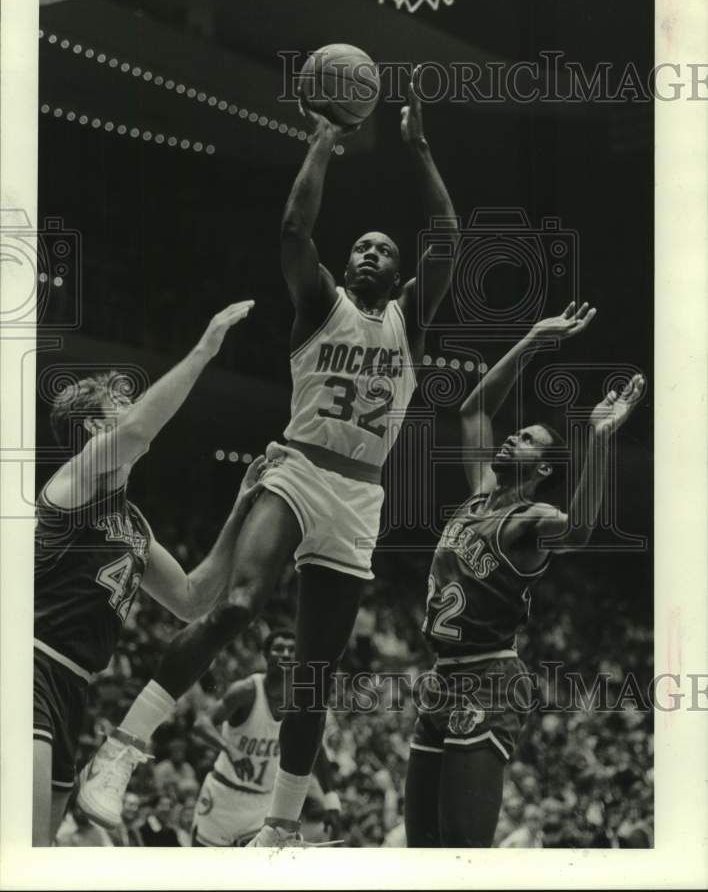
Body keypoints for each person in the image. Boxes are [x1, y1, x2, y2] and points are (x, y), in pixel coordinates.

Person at [78, 67, 459, 845]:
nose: (369, 253)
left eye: (382, 249)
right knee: (241, 606)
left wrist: (418, 150)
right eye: (358, 246)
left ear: (398, 272)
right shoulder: (321, 303)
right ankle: (121, 751)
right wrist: (323, 140)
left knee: (312, 680)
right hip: (297, 468)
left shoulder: (410, 322)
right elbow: (293, 230)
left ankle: (281, 828)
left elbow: (449, 236)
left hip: (358, 500)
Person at [404, 302, 645, 848]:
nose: (513, 438)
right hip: (442, 678)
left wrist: (598, 440)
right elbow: (472, 410)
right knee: (419, 849)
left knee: (463, 852)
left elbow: (580, 532)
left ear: (541, 470)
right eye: (517, 433)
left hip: (490, 680)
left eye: (530, 440)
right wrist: (534, 337)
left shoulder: (528, 521)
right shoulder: (477, 498)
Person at [33, 299, 265, 845]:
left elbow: (192, 598)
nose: (134, 408)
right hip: (32, 664)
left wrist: (239, 511)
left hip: (75, 686)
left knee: (38, 854)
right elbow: (136, 432)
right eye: (121, 402)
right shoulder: (76, 481)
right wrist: (205, 349)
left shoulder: (133, 521)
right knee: (16, 849)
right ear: (93, 426)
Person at [191, 626, 340, 846]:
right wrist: (230, 750)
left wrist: (331, 800)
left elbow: (314, 749)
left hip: (264, 804)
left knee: (255, 876)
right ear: (265, 654)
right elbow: (200, 723)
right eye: (279, 648)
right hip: (224, 797)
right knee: (202, 874)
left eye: (292, 650)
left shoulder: (302, 700)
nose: (286, 654)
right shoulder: (247, 690)